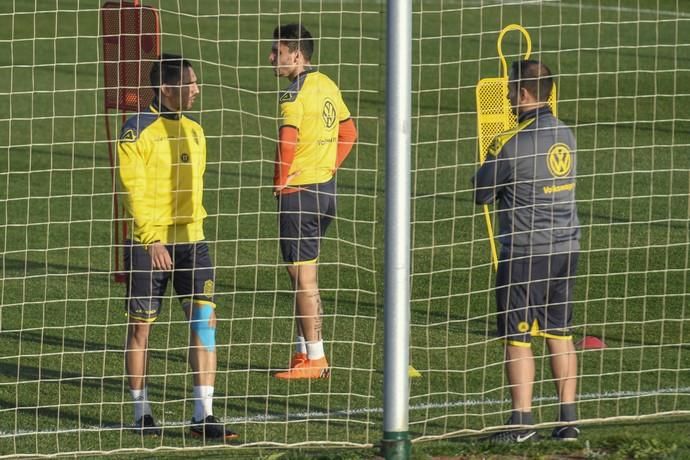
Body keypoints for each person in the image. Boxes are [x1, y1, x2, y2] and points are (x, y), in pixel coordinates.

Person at [117, 53, 237, 440]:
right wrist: (151, 238)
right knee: (141, 329)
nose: (197, 89)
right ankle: (142, 412)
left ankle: (204, 414)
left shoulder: (196, 131)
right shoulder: (137, 129)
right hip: (149, 244)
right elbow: (132, 191)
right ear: (167, 89)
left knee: (205, 322)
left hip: (193, 242)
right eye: (191, 83)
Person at [472, 60, 580, 443]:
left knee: (517, 337)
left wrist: (489, 158)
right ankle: (567, 421)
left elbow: (481, 193)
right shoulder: (566, 134)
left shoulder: (510, 142)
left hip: (524, 253)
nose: (506, 96)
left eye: (511, 90)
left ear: (524, 93)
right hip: (566, 248)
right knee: (560, 333)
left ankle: (520, 423)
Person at [268, 24, 357, 379]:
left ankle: (317, 360)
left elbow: (288, 140)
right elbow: (349, 132)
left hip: (299, 194)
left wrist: (280, 180)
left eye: (277, 51)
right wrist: (328, 166)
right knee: (305, 275)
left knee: (303, 278)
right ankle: (303, 351)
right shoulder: (327, 84)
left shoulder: (293, 95)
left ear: (297, 55)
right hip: (324, 191)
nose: (271, 57)